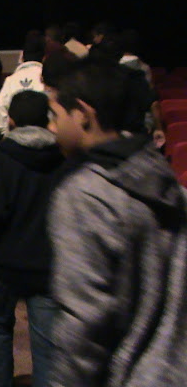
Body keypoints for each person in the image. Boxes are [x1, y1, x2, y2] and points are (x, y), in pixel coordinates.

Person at [46, 60, 187, 386]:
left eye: (55, 115)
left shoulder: (85, 193)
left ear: (82, 113)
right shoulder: (163, 175)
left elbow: (84, 325)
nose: (52, 128)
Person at [0, 91, 64, 387]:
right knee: (44, 343)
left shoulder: (1, 156)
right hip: (47, 264)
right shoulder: (62, 156)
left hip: (6, 263)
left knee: (0, 327)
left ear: (11, 120)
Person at [0, 30, 45, 134]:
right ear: (44, 57)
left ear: (22, 57)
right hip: (42, 134)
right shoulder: (46, 78)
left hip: (15, 135)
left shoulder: (11, 79)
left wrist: (6, 131)